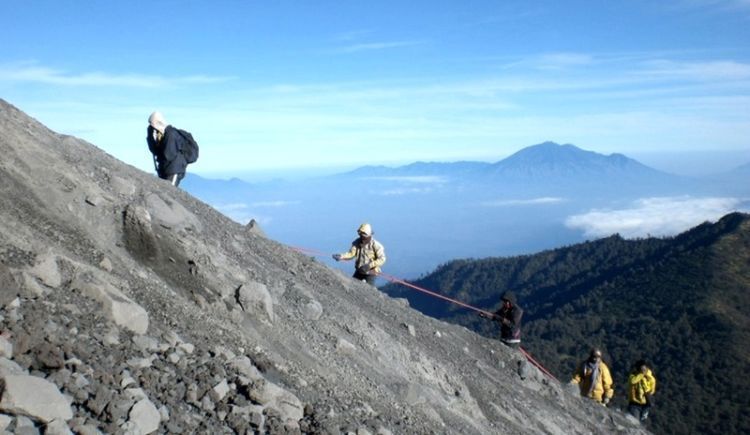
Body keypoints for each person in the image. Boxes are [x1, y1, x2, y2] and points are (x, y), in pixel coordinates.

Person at [146, 111, 188, 187]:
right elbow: (155, 151)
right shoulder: (162, 134)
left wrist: (160, 152)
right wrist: (150, 136)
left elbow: (168, 155)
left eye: (152, 124)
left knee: (170, 191)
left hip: (173, 169)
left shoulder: (170, 134)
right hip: (166, 169)